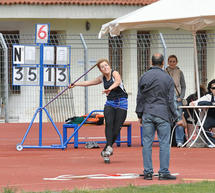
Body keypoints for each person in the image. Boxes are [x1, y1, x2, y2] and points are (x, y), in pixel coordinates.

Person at [69, 58, 128, 163]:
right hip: (110, 103)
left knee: (117, 128)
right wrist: (75, 84)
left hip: (122, 103)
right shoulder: (102, 78)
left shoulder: (115, 73)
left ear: (109, 65)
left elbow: (118, 82)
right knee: (109, 124)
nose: (105, 68)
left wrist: (110, 88)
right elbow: (89, 82)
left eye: (106, 65)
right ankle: (109, 147)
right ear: (100, 70)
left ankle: (106, 149)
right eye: (102, 67)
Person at [136, 53, 183, 180]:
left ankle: (148, 172)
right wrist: (177, 116)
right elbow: (171, 100)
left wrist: (139, 114)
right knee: (164, 143)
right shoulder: (167, 78)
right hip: (163, 114)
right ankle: (163, 172)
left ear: (151, 63)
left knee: (147, 143)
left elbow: (140, 97)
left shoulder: (144, 76)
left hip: (148, 112)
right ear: (163, 63)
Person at [166, 55, 186, 147]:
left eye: (174, 61)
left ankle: (179, 141)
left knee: (179, 120)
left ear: (176, 62)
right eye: (170, 61)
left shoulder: (180, 72)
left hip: (177, 99)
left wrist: (181, 97)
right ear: (167, 62)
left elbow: (183, 86)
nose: (172, 63)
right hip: (168, 99)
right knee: (167, 120)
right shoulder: (164, 72)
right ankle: (168, 140)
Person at [190, 79, 215, 147]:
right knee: (203, 126)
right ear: (210, 89)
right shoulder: (208, 96)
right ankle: (212, 142)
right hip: (212, 118)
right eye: (213, 88)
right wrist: (194, 103)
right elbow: (194, 103)